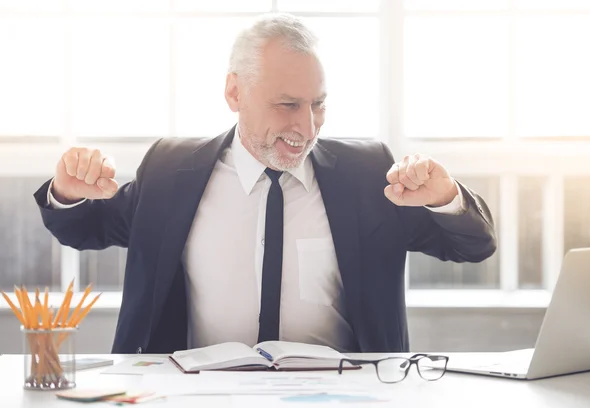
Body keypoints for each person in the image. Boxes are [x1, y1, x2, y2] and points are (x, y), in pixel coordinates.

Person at [34, 13, 496, 354]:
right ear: (235, 92)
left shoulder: (367, 174)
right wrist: (69, 190)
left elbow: (473, 247)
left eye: (318, 103)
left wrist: (446, 198)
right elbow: (83, 229)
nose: (307, 126)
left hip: (345, 394)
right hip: (196, 395)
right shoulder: (171, 171)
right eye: (288, 104)